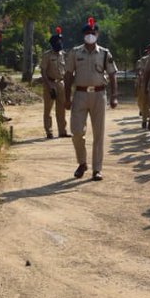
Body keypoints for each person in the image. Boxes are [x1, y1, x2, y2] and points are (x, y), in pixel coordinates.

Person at [64, 18, 118, 181]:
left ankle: (97, 169)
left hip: (99, 95)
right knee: (77, 132)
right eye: (87, 33)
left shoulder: (104, 53)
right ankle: (82, 163)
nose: (90, 36)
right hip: (80, 95)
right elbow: (68, 75)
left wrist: (114, 96)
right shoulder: (75, 53)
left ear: (97, 34)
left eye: (93, 33)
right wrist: (67, 97)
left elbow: (112, 74)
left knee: (98, 133)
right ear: (83, 35)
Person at [37, 29, 68, 138]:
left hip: (61, 83)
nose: (60, 43)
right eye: (58, 42)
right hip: (50, 83)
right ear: (53, 43)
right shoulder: (47, 55)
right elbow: (43, 72)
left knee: (61, 109)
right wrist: (49, 86)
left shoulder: (63, 54)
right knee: (48, 109)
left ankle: (62, 131)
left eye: (61, 41)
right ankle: (49, 132)